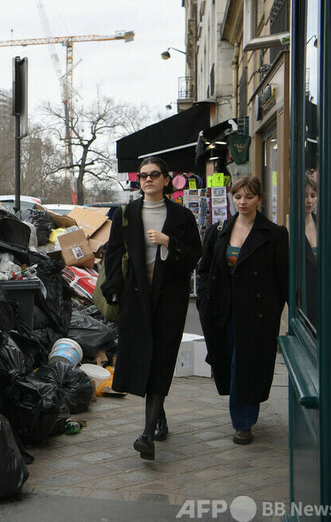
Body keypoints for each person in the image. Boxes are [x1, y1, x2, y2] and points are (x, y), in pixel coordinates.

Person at [101, 156, 202, 460]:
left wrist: (170, 242)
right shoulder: (127, 214)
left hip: (170, 297)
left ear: (166, 179)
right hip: (135, 298)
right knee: (144, 357)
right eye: (143, 176)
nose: (147, 180)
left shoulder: (182, 216)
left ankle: (146, 435)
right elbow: (113, 255)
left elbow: (195, 257)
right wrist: (114, 292)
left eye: (154, 175)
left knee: (161, 357)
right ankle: (158, 416)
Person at [196, 176, 288, 446]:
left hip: (257, 313)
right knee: (229, 362)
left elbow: (283, 278)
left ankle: (243, 423)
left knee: (246, 365)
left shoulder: (274, 233)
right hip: (223, 309)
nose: (242, 202)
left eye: (249, 197)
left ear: (259, 198)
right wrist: (203, 300)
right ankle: (244, 413)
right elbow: (204, 269)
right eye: (237, 197)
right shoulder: (219, 229)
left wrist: (274, 312)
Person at [303, 172, 317, 325]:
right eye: (304, 196)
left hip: (324, 297)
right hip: (303, 302)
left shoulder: (324, 225)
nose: (309, 201)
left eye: (313, 195)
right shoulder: (289, 228)